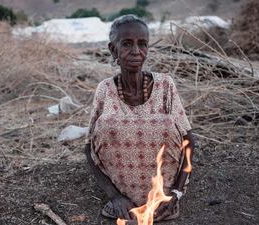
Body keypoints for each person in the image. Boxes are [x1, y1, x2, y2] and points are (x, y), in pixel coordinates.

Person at [84, 14, 196, 221]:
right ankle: (124, 202)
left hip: (164, 194)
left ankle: (161, 200)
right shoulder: (105, 90)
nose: (136, 51)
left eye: (142, 44)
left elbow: (188, 141)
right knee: (106, 126)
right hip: (121, 196)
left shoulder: (165, 86)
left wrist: (176, 194)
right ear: (113, 49)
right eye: (126, 44)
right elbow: (89, 148)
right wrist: (114, 196)